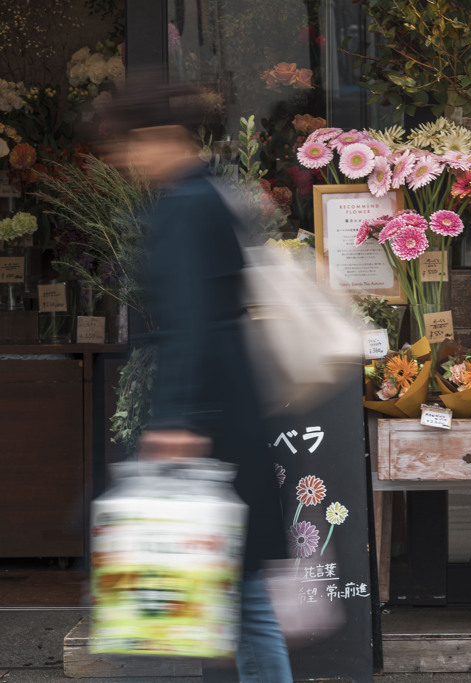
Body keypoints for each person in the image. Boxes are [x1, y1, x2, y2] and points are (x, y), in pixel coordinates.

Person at [100, 79, 294, 682]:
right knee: (241, 593)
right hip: (228, 403)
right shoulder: (210, 190)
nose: (128, 162)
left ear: (157, 138)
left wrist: (176, 422)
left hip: (208, 418)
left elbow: (190, 322)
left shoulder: (185, 205)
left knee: (236, 590)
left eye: (129, 147)